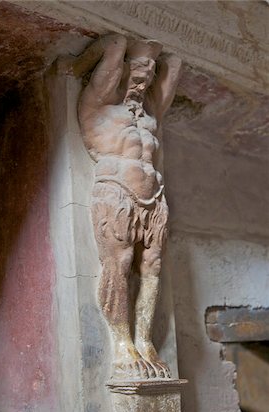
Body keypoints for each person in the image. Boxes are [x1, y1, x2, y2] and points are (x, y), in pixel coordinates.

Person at [78, 34, 182, 380]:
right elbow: (113, 45)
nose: (144, 79)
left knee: (152, 268)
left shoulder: (149, 117)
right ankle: (122, 343)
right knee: (119, 264)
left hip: (154, 198)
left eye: (150, 73)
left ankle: (144, 339)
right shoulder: (97, 107)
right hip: (117, 193)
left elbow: (175, 66)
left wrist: (158, 51)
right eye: (137, 72)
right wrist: (120, 50)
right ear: (120, 72)